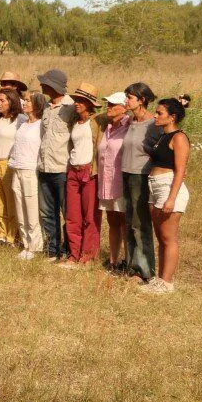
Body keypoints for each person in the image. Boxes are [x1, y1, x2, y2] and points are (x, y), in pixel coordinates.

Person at [141, 97, 190, 294]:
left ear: (172, 117)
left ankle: (167, 283)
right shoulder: (162, 136)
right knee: (161, 237)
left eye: (160, 113)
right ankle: (160, 279)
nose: (155, 115)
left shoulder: (179, 138)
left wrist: (171, 198)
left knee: (169, 237)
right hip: (155, 186)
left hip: (169, 186)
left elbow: (180, 170)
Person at [36, 68, 76, 262]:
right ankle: (53, 250)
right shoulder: (46, 107)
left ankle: (68, 249)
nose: (41, 85)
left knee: (66, 211)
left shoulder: (71, 107)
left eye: (45, 82)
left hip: (62, 168)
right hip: (44, 167)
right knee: (47, 212)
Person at [61, 82, 102, 268]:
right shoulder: (74, 122)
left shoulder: (98, 121)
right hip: (74, 170)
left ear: (90, 103)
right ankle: (74, 253)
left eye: (81, 100)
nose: (77, 103)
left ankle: (87, 256)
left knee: (90, 216)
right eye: (76, 99)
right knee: (72, 215)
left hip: (89, 171)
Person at [121, 83, 160, 282]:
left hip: (141, 176)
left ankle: (145, 270)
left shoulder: (153, 123)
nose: (126, 101)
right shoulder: (130, 121)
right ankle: (131, 266)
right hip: (126, 173)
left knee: (140, 223)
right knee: (129, 222)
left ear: (141, 100)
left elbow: (163, 148)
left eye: (129, 97)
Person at [9, 93, 46, 259]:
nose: (25, 103)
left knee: (31, 208)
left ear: (37, 104)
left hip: (31, 170)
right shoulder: (23, 123)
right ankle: (25, 243)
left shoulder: (41, 125)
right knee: (20, 207)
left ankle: (35, 246)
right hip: (17, 168)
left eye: (29, 101)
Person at [98, 91, 130, 273]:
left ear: (124, 108)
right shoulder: (108, 128)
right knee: (112, 222)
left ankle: (128, 259)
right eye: (107, 104)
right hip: (106, 182)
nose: (108, 107)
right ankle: (113, 260)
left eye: (112, 104)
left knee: (125, 222)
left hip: (121, 182)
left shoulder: (130, 126)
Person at [0, 87, 23, 245]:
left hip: (8, 163)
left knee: (10, 201)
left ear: (12, 101)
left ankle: (12, 235)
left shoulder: (19, 119)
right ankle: (1, 233)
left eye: (3, 100)